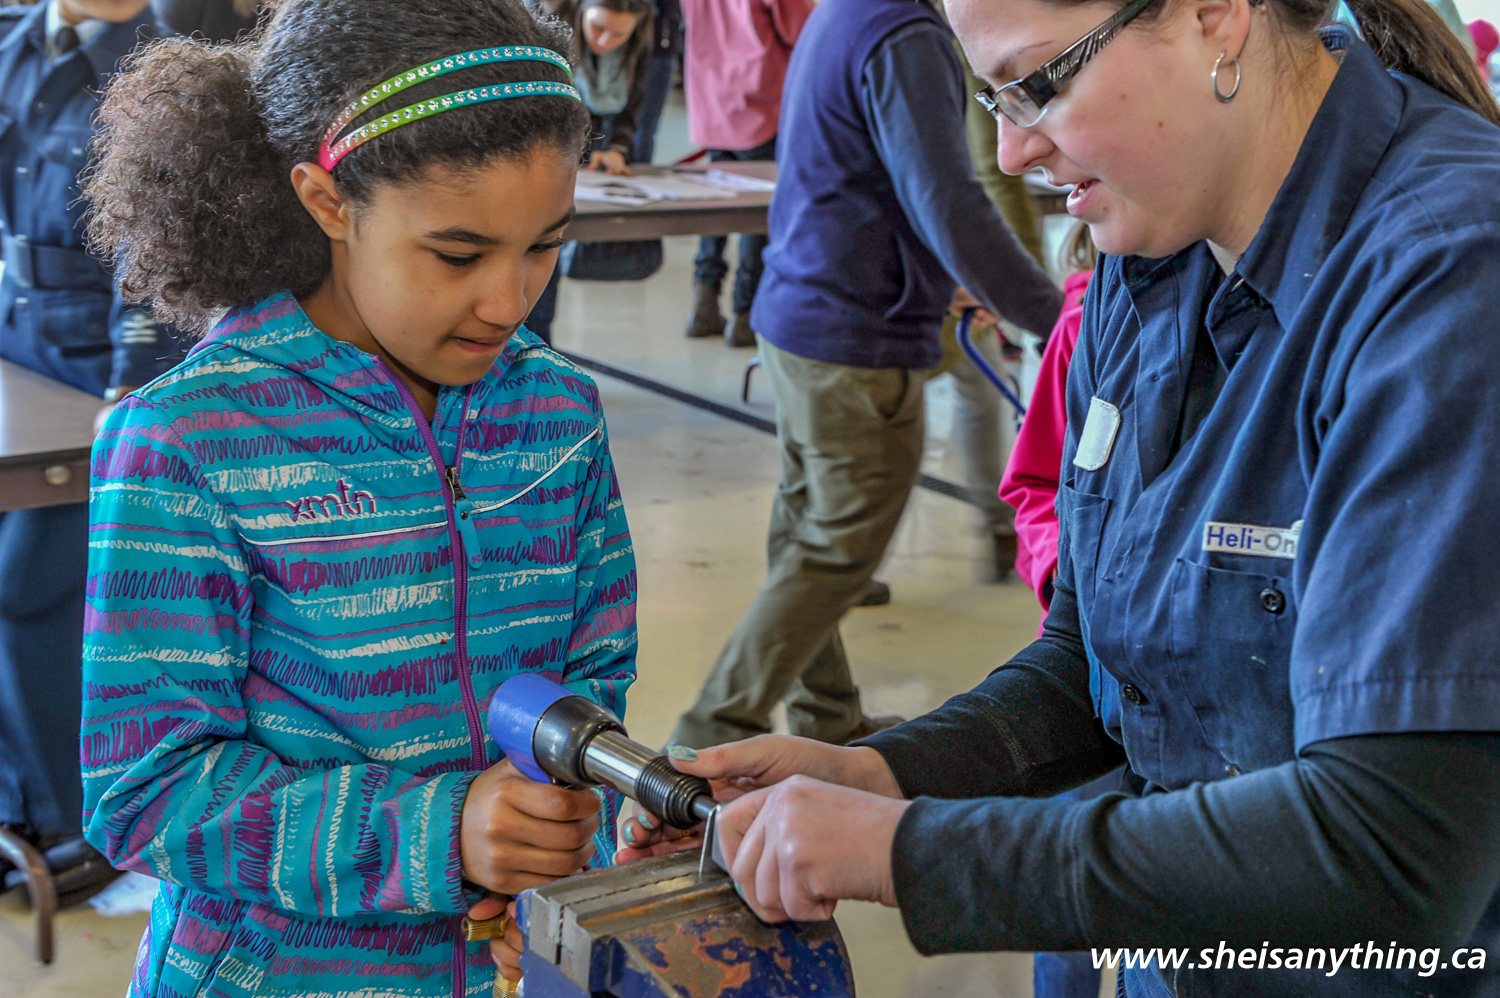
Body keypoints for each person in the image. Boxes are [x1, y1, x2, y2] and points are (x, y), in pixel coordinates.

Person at [631, 0, 1500, 995]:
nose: (1011, 151)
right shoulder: (1149, 256)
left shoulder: (1450, 278)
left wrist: (903, 850)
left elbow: (1391, 852)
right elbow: (1096, 669)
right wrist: (882, 774)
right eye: (991, 100)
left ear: (1216, 16)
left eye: (1038, 84)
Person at [78, 1, 638, 994]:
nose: (510, 300)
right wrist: (439, 834)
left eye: (546, 244)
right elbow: (144, 789)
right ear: (326, 200)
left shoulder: (559, 415)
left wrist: (564, 843)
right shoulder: (190, 439)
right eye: (458, 254)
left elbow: (592, 683)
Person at [670, 0, 1062, 749]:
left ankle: (827, 719)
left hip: (800, 316)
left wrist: (940, 274)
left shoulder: (847, 12)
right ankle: (706, 738)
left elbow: (867, 179)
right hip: (852, 340)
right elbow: (949, 201)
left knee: (805, 535)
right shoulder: (904, 33)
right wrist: (1054, 316)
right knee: (835, 549)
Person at [0, 0, 182, 906]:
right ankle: (19, 809)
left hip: (93, 379)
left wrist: (129, 389)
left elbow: (156, 249)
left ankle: (80, 830)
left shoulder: (158, 66)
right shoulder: (17, 46)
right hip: (16, 354)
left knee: (33, 594)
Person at [679, 0, 814, 347]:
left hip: (711, 99)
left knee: (716, 207)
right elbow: (803, 28)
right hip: (759, 104)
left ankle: (704, 301)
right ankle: (746, 313)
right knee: (758, 217)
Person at [525, 0, 654, 343]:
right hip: (541, 159)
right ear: (582, 9)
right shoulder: (547, 27)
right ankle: (534, 348)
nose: (605, 41)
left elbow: (631, 105)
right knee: (538, 255)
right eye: (598, 28)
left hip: (584, 163)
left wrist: (616, 148)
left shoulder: (640, 42)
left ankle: (543, 351)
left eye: (618, 34)